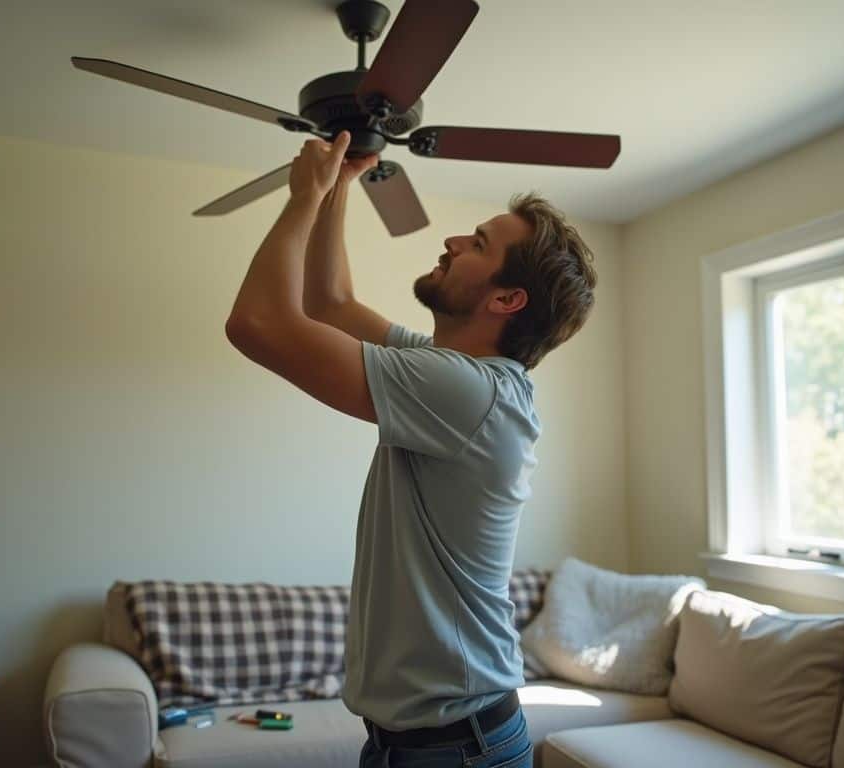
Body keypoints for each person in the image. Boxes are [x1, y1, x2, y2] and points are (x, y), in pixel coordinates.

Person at [225, 131, 598, 768]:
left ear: (506, 299)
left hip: (453, 748)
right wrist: (340, 186)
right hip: (434, 742)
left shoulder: (468, 391)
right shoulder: (456, 375)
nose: (452, 241)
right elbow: (329, 303)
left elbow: (257, 323)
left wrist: (306, 196)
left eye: (478, 244)